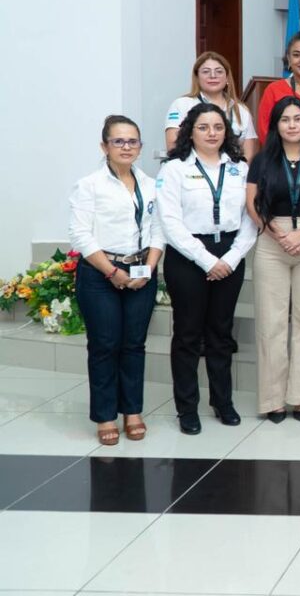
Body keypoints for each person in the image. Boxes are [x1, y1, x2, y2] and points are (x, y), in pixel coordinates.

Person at [157, 102, 257, 435]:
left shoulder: (240, 168)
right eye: (203, 127)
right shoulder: (174, 169)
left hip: (229, 254)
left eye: (218, 127)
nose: (211, 133)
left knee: (221, 333)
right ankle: (187, 408)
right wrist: (207, 260)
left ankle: (222, 402)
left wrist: (231, 257)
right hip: (187, 257)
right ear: (190, 131)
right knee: (187, 334)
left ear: (227, 131)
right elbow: (170, 222)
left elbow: (250, 217)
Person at [69, 115, 164, 446]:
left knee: (134, 344)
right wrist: (112, 271)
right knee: (105, 345)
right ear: (104, 146)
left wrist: (149, 268)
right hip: (100, 274)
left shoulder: (150, 184)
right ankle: (105, 416)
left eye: (132, 141)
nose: (126, 147)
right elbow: (80, 234)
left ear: (140, 146)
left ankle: (132, 411)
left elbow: (158, 229)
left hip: (141, 271)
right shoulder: (90, 185)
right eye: (118, 141)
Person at [246, 97, 300, 422]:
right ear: (276, 125)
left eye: (298, 119)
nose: (292, 125)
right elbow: (252, 204)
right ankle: (273, 400)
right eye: (285, 119)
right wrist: (279, 235)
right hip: (272, 241)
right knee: (271, 323)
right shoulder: (262, 161)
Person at [164, 52, 258, 161]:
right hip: (189, 169)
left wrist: (234, 170)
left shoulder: (241, 111)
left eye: (219, 71)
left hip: (232, 170)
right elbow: (173, 146)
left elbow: (248, 155)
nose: (213, 76)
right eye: (206, 71)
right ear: (197, 77)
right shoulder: (182, 104)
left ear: (227, 78)